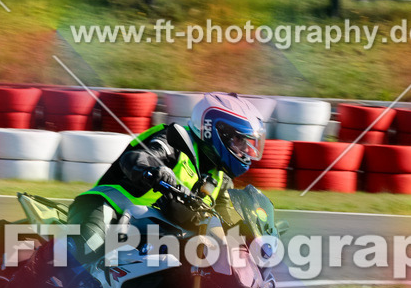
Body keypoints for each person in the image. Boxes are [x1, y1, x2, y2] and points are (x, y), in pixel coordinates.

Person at [66, 92, 266, 265]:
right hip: (113, 210)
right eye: (239, 140)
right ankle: (38, 279)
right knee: (85, 249)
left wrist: (253, 236)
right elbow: (136, 159)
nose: (245, 150)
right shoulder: (174, 141)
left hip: (157, 232)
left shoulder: (220, 179)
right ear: (215, 131)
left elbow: (227, 220)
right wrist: (155, 171)